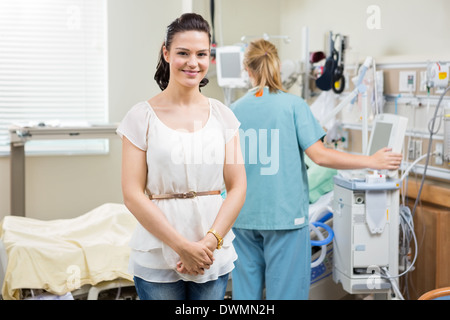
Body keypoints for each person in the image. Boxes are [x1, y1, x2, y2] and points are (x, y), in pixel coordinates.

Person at [230, 39, 403, 300]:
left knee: (245, 297)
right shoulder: (293, 105)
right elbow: (320, 157)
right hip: (284, 218)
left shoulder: (234, 110)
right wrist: (372, 161)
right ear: (277, 67)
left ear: (247, 68)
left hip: (242, 217)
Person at [117, 13, 246, 300]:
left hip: (212, 249)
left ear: (209, 56)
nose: (193, 62)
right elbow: (132, 194)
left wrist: (210, 242)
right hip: (156, 250)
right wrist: (182, 247)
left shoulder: (224, 116)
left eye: (201, 54)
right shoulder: (140, 117)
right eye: (183, 53)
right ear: (166, 53)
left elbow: (237, 187)